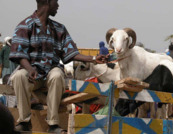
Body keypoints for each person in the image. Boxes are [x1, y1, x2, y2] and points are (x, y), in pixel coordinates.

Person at [9, 0, 108, 133]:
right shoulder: (25, 26)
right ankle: (24, 122)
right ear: (48, 3)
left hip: (51, 72)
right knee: (19, 76)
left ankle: (53, 124)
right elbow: (19, 54)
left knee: (56, 74)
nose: (58, 6)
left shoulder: (59, 29)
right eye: (56, 2)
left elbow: (71, 53)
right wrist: (29, 68)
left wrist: (94, 58)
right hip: (32, 74)